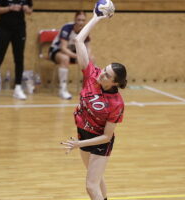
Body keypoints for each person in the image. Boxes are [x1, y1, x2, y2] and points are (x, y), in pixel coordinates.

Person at [60, 11, 127, 200]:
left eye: (106, 75)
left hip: (99, 143)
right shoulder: (91, 74)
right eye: (103, 70)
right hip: (83, 134)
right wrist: (97, 17)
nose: (101, 74)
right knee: (96, 179)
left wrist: (79, 144)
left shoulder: (116, 103)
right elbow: (79, 41)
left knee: (90, 186)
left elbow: (107, 136)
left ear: (114, 83)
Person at [0, 0, 33, 100]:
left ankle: (18, 88)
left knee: (19, 58)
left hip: (19, 29)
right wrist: (9, 8)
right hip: (4, 29)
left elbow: (30, 11)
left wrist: (26, 9)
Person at [49, 11, 92, 100]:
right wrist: (78, 56)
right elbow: (63, 48)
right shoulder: (67, 28)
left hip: (73, 53)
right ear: (75, 19)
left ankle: (89, 88)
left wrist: (86, 57)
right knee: (65, 58)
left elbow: (88, 48)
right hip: (56, 51)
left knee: (91, 59)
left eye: (83, 20)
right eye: (78, 20)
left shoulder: (85, 30)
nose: (80, 22)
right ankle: (63, 89)